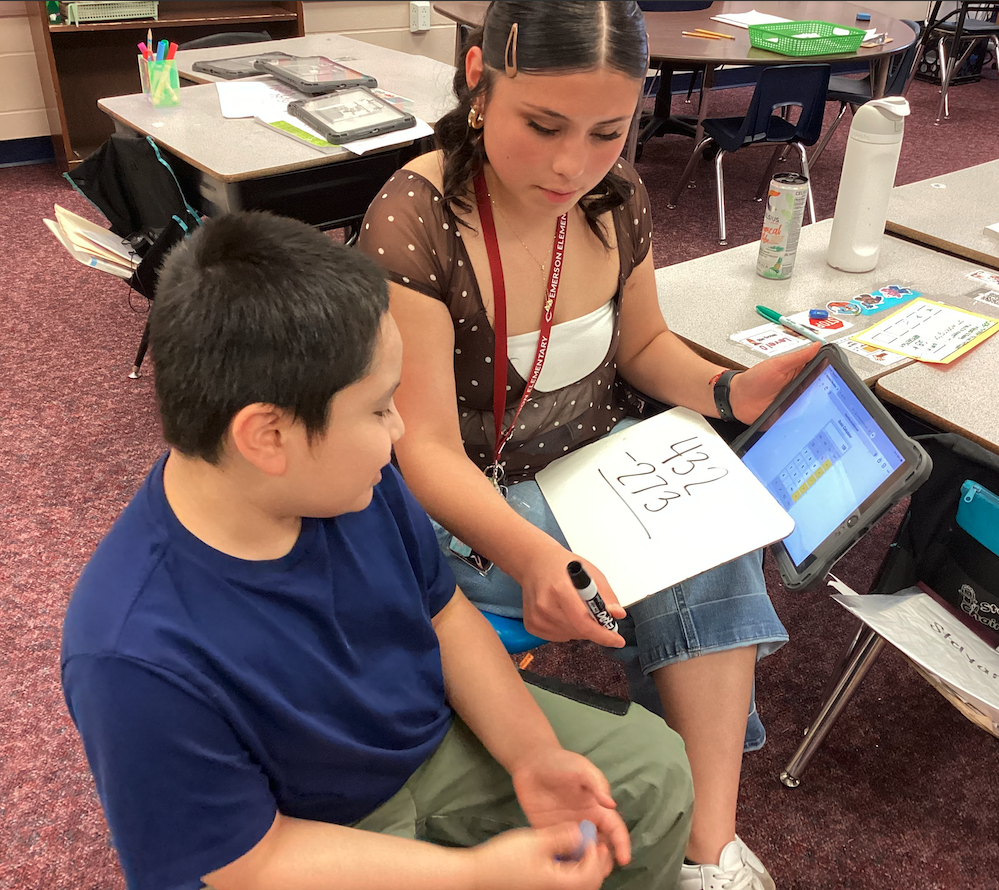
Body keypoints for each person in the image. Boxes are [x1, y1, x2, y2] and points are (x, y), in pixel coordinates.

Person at [60, 212, 693, 890]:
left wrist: (532, 754)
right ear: (267, 436)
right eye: (377, 407)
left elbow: (445, 615)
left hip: (428, 742)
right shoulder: (132, 654)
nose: (398, 430)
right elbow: (248, 863)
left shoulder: (350, 482)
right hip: (301, 836)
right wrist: (472, 875)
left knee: (652, 771)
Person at [357, 4, 821, 889]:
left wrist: (729, 390)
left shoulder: (615, 198)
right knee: (687, 547)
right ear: (478, 83)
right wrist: (533, 556)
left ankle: (704, 849)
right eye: (542, 125)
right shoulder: (413, 217)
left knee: (710, 534)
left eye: (609, 131)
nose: (572, 163)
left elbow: (642, 349)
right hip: (467, 509)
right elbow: (423, 454)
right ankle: (706, 849)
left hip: (581, 466)